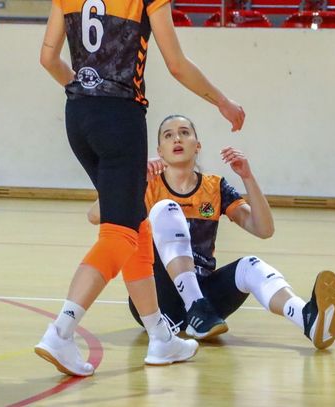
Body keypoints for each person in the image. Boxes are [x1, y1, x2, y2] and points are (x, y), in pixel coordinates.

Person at [35, 0, 245, 376]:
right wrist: (223, 102)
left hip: (78, 115)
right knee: (119, 234)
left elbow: (48, 58)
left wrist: (85, 90)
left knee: (137, 224)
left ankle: (160, 336)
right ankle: (61, 331)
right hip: (120, 117)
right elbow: (177, 64)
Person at [88, 115, 335, 348]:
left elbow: (264, 229)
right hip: (157, 298)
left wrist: (247, 176)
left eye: (184, 132)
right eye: (168, 135)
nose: (177, 138)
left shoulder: (214, 187)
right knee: (167, 209)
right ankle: (195, 308)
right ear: (159, 151)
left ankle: (307, 318)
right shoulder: (148, 185)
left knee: (250, 266)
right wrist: (131, 179)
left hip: (207, 298)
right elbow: (95, 215)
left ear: (197, 145)